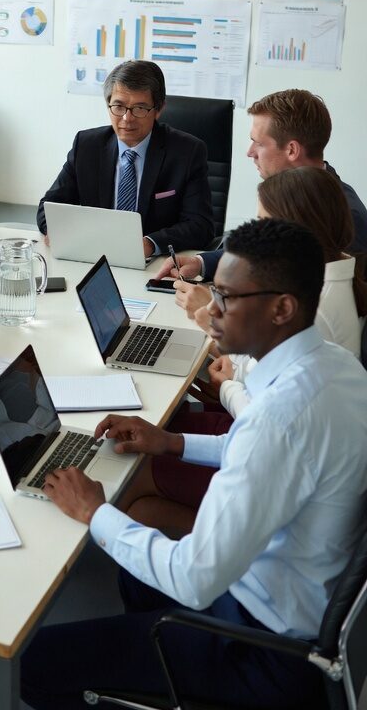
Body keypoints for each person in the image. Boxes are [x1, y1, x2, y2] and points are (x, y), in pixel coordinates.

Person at [21, 218, 367, 710]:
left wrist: (93, 511)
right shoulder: (337, 367)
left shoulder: (277, 419)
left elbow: (194, 578)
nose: (213, 309)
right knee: (134, 574)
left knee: (35, 663)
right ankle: (152, 667)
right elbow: (271, 454)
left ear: (282, 308)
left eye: (226, 297)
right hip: (301, 597)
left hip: (262, 651)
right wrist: (170, 442)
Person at [120, 165, 367, 537]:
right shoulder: (324, 296)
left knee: (128, 486)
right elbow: (261, 425)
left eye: (264, 222)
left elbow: (265, 425)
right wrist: (172, 441)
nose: (256, 232)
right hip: (268, 459)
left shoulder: (318, 314)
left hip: (273, 507)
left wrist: (227, 384)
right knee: (146, 470)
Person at [156, 88, 367, 315]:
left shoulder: (342, 215)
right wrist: (201, 263)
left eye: (258, 143)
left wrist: (216, 311)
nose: (250, 152)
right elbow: (260, 252)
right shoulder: (289, 195)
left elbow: (298, 317)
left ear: (292, 150)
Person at [37, 60, 214, 257]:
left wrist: (149, 243)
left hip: (153, 263)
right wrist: (56, 231)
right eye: (118, 106)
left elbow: (201, 225)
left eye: (139, 108)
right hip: (94, 257)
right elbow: (48, 207)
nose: (127, 119)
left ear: (158, 109)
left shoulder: (187, 152)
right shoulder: (87, 146)